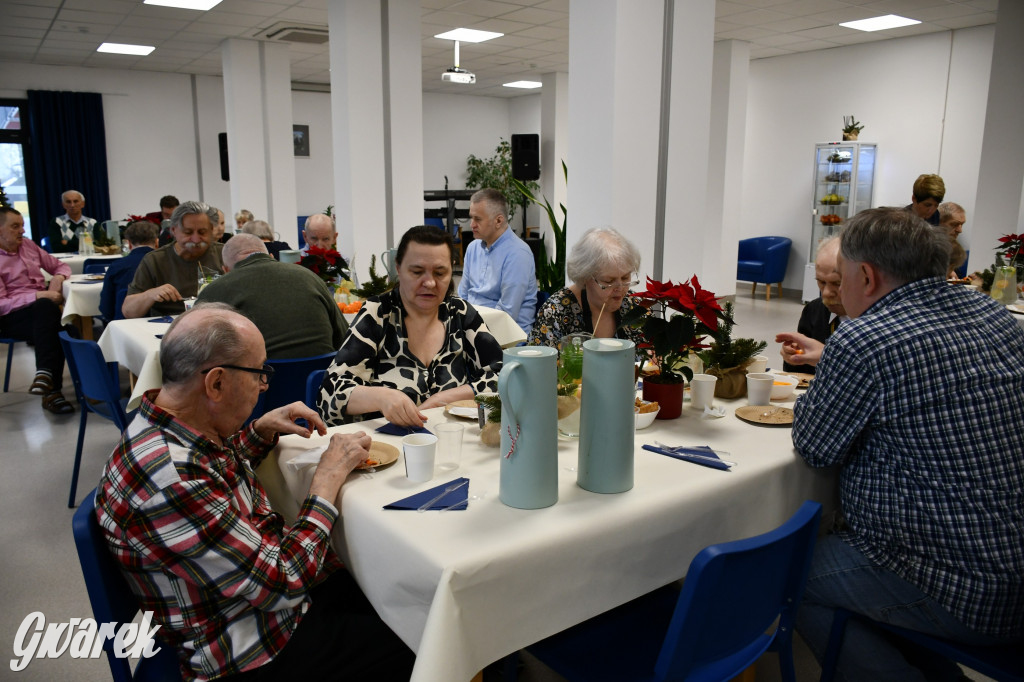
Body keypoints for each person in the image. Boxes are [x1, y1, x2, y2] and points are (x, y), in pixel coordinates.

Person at [94, 303, 415, 681]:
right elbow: (284, 582)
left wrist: (260, 430)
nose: (265, 385)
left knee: (395, 587)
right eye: (259, 373)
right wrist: (327, 479)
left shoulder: (170, 427)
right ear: (215, 383)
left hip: (245, 599)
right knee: (419, 637)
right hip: (248, 646)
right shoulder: (171, 479)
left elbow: (211, 480)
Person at [780, 208, 1024, 680]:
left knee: (788, 576)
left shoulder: (865, 339)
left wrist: (834, 371)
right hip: (1010, 564)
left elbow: (815, 445)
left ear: (866, 275)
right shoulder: (995, 315)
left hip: (965, 585)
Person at [317, 225, 502, 428]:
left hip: (452, 442)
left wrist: (444, 399)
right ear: (398, 269)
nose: (430, 283)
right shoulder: (378, 314)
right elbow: (330, 395)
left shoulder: (459, 312)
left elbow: (506, 377)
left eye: (440, 273)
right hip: (387, 449)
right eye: (417, 272)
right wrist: (381, 397)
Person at [196, 234, 348, 359]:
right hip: (320, 383)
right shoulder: (310, 277)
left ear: (226, 269)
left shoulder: (215, 290)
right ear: (270, 256)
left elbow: (197, 353)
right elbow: (344, 337)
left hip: (260, 386)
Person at [0, 206, 75, 414]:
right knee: (58, 325)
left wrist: (58, 279)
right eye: (15, 227)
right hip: (11, 318)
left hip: (41, 313)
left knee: (61, 326)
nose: (22, 231)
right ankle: (53, 393)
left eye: (22, 225)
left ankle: (46, 378)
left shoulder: (28, 246)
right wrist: (38, 295)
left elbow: (61, 266)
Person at [528, 226, 644, 348]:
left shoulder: (635, 307)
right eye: (609, 281)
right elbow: (540, 364)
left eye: (625, 278)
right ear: (585, 277)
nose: (620, 288)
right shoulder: (556, 312)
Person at [122, 200, 224, 318]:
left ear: (212, 230)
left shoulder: (224, 254)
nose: (196, 239)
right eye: (188, 232)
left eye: (202, 232)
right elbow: (128, 312)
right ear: (174, 230)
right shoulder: (155, 260)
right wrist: (150, 294)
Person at [457, 188, 538, 334]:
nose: (472, 224)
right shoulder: (473, 248)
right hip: (473, 329)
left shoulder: (518, 254)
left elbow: (506, 313)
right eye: (471, 218)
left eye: (478, 219)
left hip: (505, 335)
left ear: (498, 220)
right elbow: (463, 295)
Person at [779, 237, 846, 374]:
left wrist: (825, 355)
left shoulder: (876, 320)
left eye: (837, 284)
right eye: (821, 282)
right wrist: (793, 358)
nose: (826, 293)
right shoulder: (814, 310)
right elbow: (799, 375)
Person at [99, 220, 158, 322]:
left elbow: (106, 308)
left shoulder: (116, 266)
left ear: (129, 244)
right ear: (157, 243)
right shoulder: (165, 264)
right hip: (160, 326)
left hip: (123, 325)